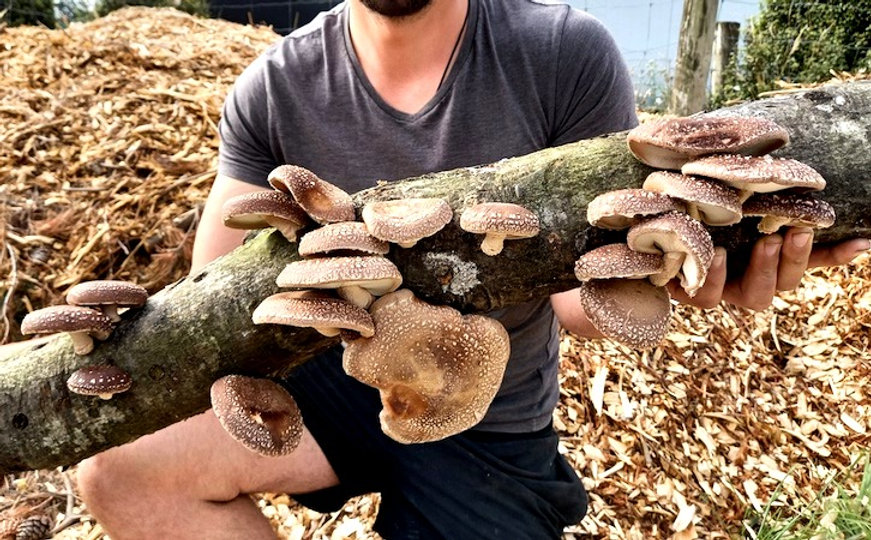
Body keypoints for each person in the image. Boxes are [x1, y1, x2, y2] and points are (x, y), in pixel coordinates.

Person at [76, 0, 869, 538]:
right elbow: (220, 300)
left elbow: (577, 296)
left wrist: (688, 278)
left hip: (490, 422)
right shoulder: (273, 88)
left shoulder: (559, 53)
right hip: (330, 380)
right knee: (120, 473)